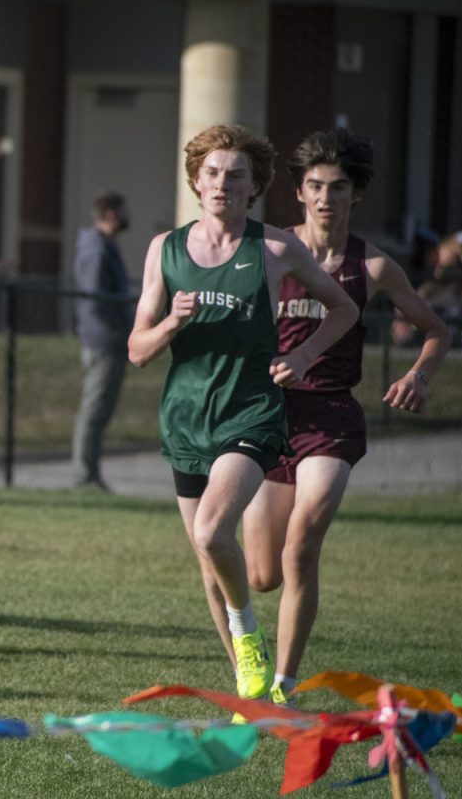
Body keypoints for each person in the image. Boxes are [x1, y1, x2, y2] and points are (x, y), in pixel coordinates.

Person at [127, 124, 358, 709]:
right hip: (184, 420)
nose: (222, 184)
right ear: (195, 181)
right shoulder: (165, 249)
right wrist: (172, 323)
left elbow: (344, 307)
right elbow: (137, 350)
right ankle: (249, 686)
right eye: (212, 173)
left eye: (236, 175)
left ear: (254, 186)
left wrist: (303, 354)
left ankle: (249, 637)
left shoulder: (277, 248)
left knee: (212, 532)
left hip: (250, 415)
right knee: (210, 562)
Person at [240, 129, 450, 705]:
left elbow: (436, 330)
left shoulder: (374, 266)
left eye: (337, 187)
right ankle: (262, 656)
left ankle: (282, 686)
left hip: (330, 416)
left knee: (302, 543)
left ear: (355, 194)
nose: (325, 197)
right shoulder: (269, 249)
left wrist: (418, 375)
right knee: (262, 574)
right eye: (314, 186)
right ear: (299, 193)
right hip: (266, 417)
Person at [70, 192, 133, 491]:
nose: (127, 215)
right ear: (110, 214)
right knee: (93, 411)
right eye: (123, 210)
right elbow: (94, 298)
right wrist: (118, 331)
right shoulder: (96, 249)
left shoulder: (106, 246)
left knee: (99, 410)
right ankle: (85, 477)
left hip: (110, 340)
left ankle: (90, 474)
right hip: (103, 341)